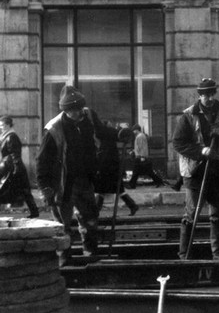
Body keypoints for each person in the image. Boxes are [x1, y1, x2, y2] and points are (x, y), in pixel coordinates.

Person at [172, 78, 219, 260]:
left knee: (218, 216)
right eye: (205, 95)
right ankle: (184, 255)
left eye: (212, 94)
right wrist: (200, 151)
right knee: (191, 215)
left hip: (218, 171)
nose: (209, 98)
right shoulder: (188, 115)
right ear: (200, 95)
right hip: (195, 172)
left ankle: (218, 254)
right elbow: (178, 143)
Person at [36, 86, 107, 266]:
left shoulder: (88, 116)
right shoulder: (53, 129)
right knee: (62, 224)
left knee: (90, 218)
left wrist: (119, 134)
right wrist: (45, 189)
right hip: (63, 183)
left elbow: (102, 132)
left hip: (84, 179)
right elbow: (42, 161)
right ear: (65, 110)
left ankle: (90, 253)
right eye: (71, 111)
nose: (76, 113)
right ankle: (64, 259)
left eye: (78, 109)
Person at [94, 120, 139, 216]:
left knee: (102, 190)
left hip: (107, 169)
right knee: (118, 190)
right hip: (113, 168)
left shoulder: (104, 142)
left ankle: (96, 211)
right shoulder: (111, 138)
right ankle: (132, 205)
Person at [0, 115, 40, 217]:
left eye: (2, 125)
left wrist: (16, 169)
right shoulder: (6, 136)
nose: (0, 127)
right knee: (25, 191)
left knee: (22, 190)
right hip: (10, 167)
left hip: (13, 168)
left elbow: (15, 154)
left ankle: (34, 212)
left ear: (8, 125)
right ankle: (34, 212)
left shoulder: (11, 137)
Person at [126, 125, 166, 189]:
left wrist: (142, 157)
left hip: (140, 157)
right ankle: (159, 182)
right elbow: (140, 147)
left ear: (136, 130)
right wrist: (134, 151)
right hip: (140, 157)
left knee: (136, 172)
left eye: (133, 130)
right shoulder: (140, 136)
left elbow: (142, 147)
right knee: (148, 172)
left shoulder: (140, 136)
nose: (133, 132)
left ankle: (132, 185)